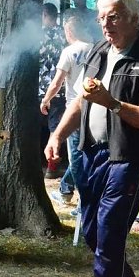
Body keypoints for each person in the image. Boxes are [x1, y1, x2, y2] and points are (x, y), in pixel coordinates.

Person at [45, 0, 139, 277]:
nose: (105, 24)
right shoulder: (97, 51)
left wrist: (113, 103)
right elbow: (78, 102)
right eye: (101, 17)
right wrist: (57, 135)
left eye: (113, 17)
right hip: (91, 155)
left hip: (129, 157)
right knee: (93, 234)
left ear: (134, 18)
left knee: (110, 238)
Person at [40, 14, 92, 205]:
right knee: (85, 154)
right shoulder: (97, 49)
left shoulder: (70, 52)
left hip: (75, 109)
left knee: (76, 156)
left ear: (69, 32)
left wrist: (46, 99)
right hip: (95, 108)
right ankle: (65, 189)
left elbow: (57, 82)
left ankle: (83, 201)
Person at [39, 3, 68, 179]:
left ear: (44, 15)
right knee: (54, 128)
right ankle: (52, 167)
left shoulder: (37, 35)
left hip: (40, 87)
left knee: (37, 127)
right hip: (59, 88)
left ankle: (40, 162)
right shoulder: (64, 35)